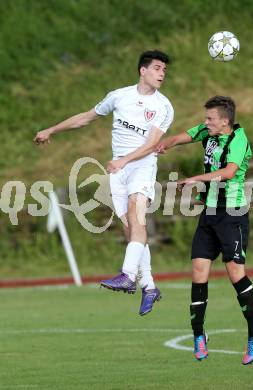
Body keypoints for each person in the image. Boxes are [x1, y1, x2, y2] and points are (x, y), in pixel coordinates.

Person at [34, 50, 174, 316]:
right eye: (157, 68)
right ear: (142, 70)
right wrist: (51, 129)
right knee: (130, 229)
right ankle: (150, 287)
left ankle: (127, 274)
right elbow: (86, 117)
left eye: (164, 70)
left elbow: (152, 144)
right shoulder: (119, 96)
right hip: (118, 171)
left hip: (141, 166)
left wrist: (124, 161)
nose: (161, 74)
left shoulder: (164, 106)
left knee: (137, 217)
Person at [157, 95, 253, 364]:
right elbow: (182, 137)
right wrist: (162, 145)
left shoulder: (239, 139)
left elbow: (228, 173)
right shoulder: (208, 131)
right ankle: (198, 335)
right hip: (210, 213)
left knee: (235, 274)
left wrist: (194, 178)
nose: (205, 123)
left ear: (225, 121)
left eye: (210, 119)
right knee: (198, 271)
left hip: (232, 214)